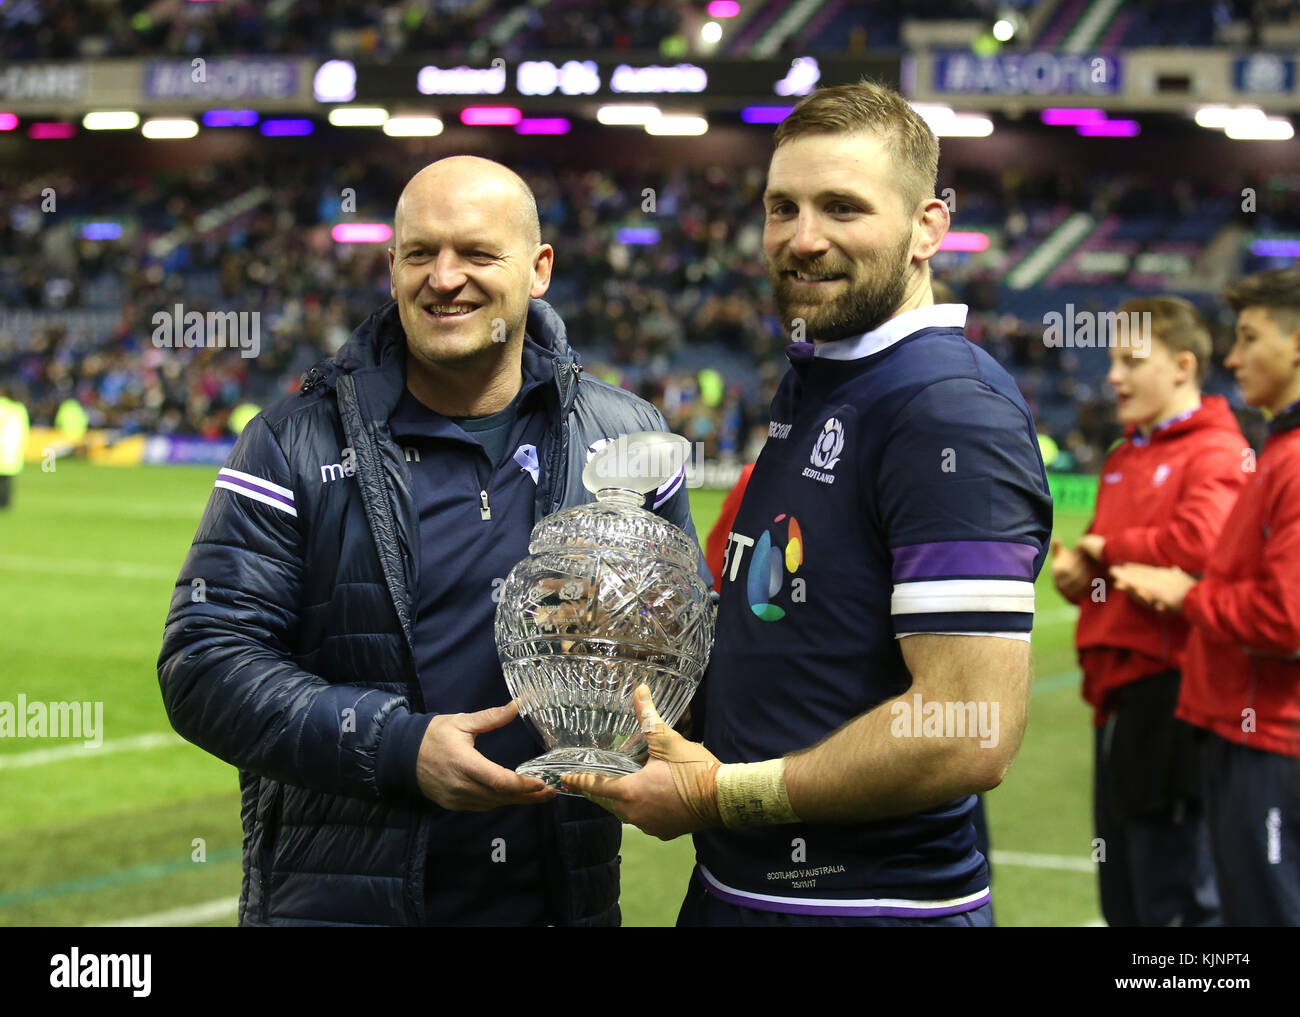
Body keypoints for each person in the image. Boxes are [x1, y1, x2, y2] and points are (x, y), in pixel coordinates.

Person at [157, 155, 706, 926]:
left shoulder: (628, 439)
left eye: (478, 253)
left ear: (539, 268)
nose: (444, 278)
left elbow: (692, 652)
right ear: (392, 268)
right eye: (420, 253)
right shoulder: (292, 443)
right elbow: (203, 662)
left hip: (559, 906)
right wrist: (395, 748)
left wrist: (697, 766)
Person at [566, 79, 1052, 926]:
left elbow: (966, 727)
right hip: (742, 893)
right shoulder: (822, 380)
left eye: (842, 208)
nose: (804, 238)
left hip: (869, 909)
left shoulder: (947, 407)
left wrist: (718, 795)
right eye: (781, 207)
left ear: (927, 228)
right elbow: (798, 639)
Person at [1050, 296, 1248, 927]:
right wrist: (1081, 580)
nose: (1114, 376)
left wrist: (1106, 549)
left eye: (1132, 360)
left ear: (1183, 365)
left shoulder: (1216, 451)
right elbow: (1124, 577)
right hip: (1116, 695)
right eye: (1112, 360)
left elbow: (1204, 546)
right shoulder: (1124, 455)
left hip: (1174, 692)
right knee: (1128, 898)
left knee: (1176, 899)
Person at [1112, 267, 1300, 926]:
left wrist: (1192, 598)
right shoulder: (1277, 447)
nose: (1235, 356)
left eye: (1249, 337)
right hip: (1237, 724)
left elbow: (1289, 618)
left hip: (1270, 738)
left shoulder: (1291, 457)